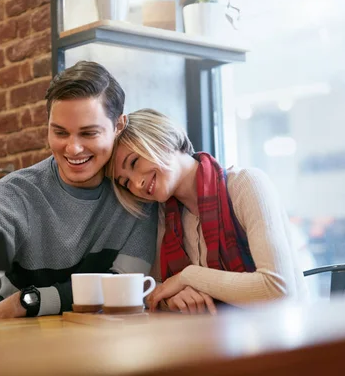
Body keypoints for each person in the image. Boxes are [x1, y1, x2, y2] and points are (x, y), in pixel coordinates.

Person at [0, 61, 157, 323]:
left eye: (89, 133)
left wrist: (31, 300)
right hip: (16, 350)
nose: (73, 149)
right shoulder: (10, 197)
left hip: (103, 351)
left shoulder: (138, 196)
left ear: (118, 126)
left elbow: (124, 289)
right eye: (60, 132)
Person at [107, 109, 307, 314]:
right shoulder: (164, 217)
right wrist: (174, 299)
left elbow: (278, 290)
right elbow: (155, 291)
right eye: (125, 182)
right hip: (216, 340)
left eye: (134, 162)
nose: (137, 184)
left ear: (161, 138)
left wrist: (188, 276)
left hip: (286, 338)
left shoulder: (246, 184)